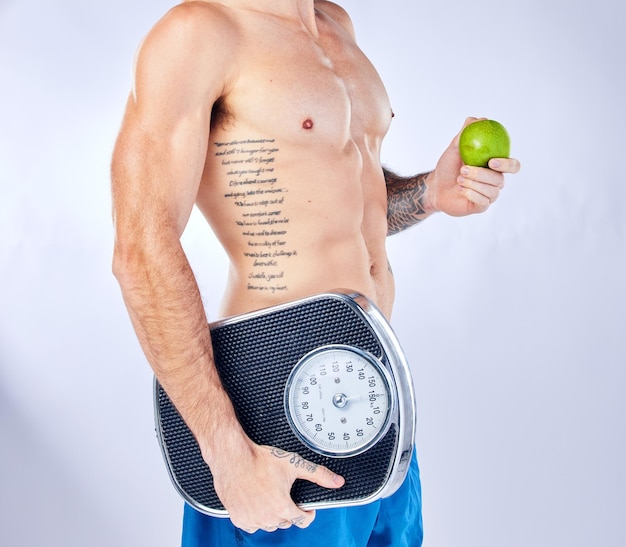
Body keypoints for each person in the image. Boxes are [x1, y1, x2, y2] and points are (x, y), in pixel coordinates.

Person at [111, 0, 521, 545]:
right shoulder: (198, 34)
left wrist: (428, 194)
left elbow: (340, 198)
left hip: (373, 405)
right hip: (275, 428)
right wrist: (228, 455)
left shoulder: (335, 25)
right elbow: (141, 246)